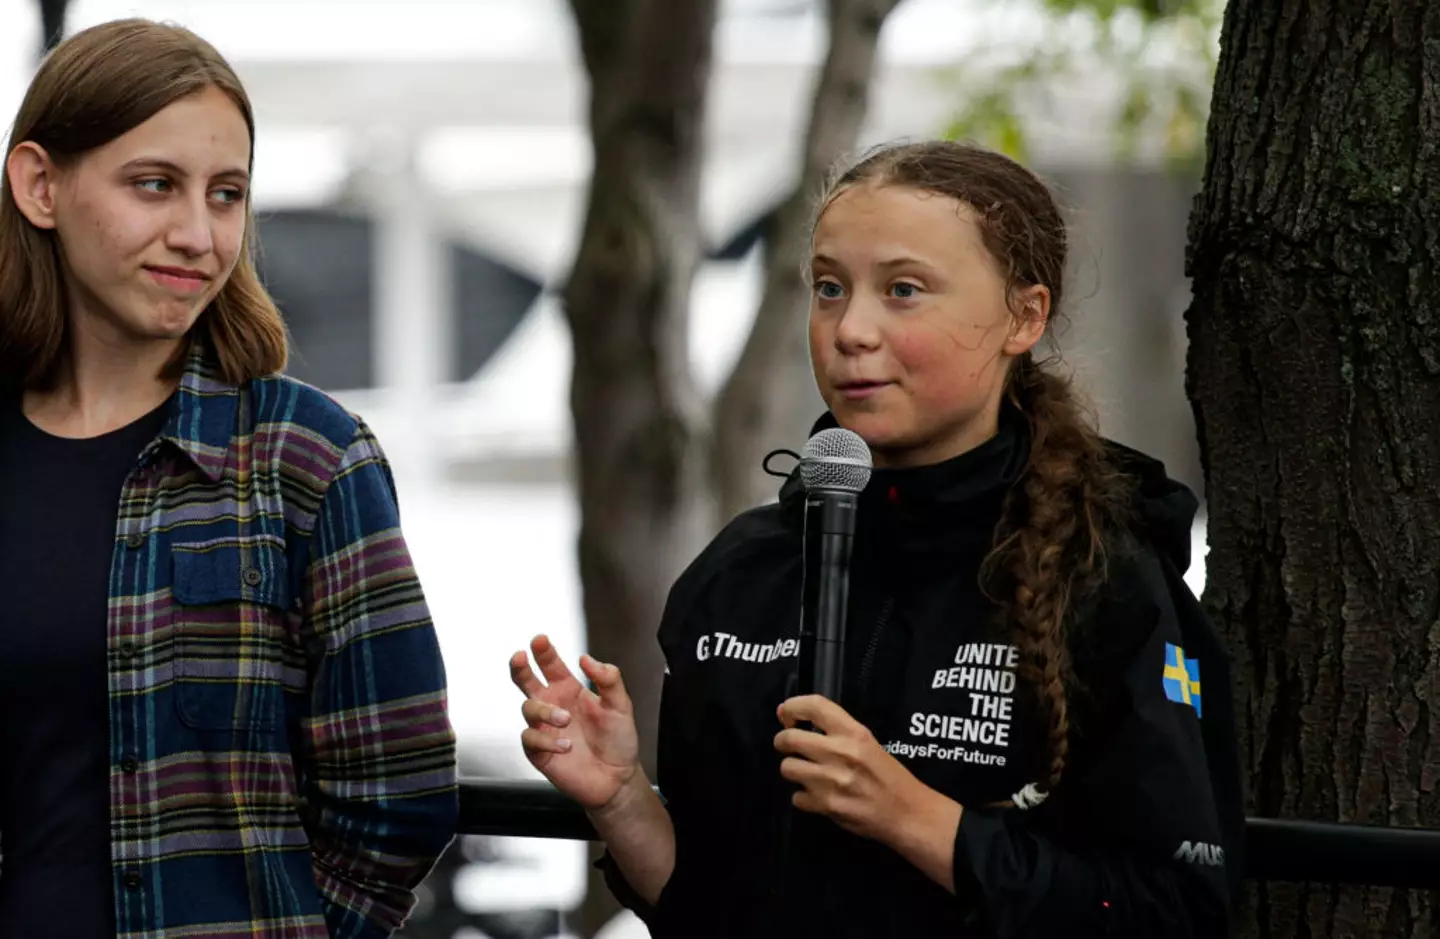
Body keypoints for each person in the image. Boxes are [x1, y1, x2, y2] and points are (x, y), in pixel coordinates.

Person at [511, 139, 1243, 937]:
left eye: (903, 290)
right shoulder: (739, 572)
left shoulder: (1103, 574)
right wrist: (622, 798)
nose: (851, 329)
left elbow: (1175, 910)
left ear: (1024, 316)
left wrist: (916, 817)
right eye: (829, 288)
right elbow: (709, 913)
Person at [0, 19, 458, 939]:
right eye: (155, 184)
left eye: (227, 194)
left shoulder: (308, 459)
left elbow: (399, 796)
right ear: (40, 185)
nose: (198, 236)